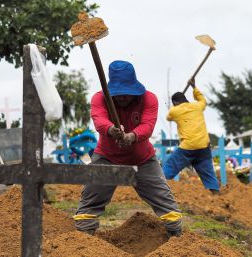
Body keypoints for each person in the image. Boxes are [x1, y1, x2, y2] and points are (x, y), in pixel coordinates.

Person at [73, 60, 182, 237]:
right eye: (118, 94)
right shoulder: (99, 98)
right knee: (89, 203)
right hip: (107, 158)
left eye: (127, 93)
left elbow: (147, 126)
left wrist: (131, 137)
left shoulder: (149, 98)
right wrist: (111, 130)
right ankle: (83, 241)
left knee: (166, 203)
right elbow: (99, 120)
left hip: (142, 160)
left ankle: (178, 241)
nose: (123, 97)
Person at [163, 79, 220, 194]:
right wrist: (194, 87)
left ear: (175, 102)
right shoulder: (198, 106)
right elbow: (202, 100)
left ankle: (156, 186)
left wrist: (174, 108)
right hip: (204, 146)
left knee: (170, 166)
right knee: (208, 171)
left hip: (188, 147)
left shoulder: (175, 110)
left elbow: (168, 117)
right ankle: (215, 193)